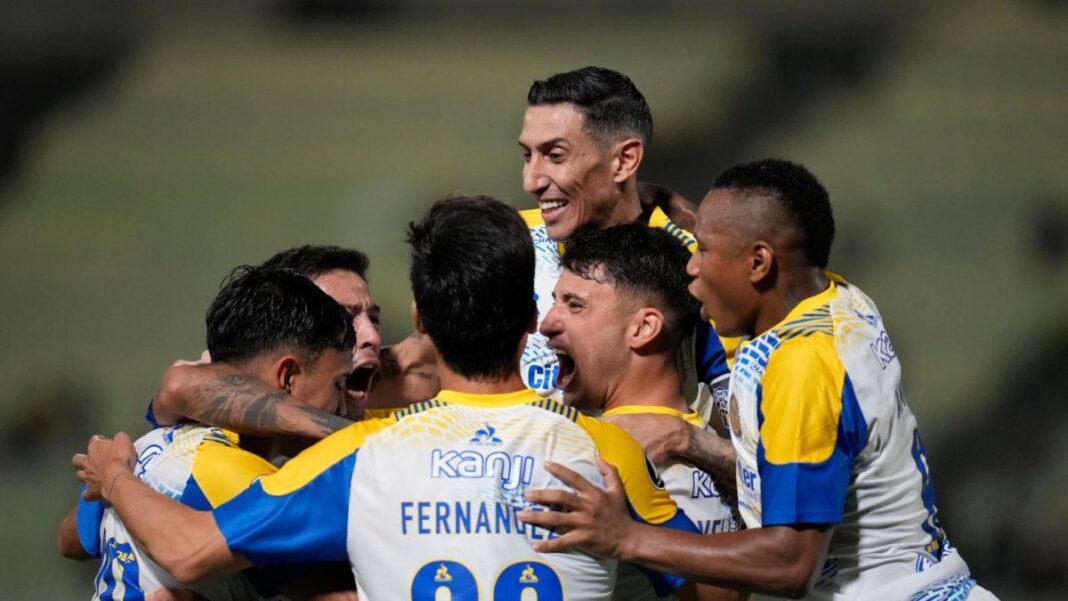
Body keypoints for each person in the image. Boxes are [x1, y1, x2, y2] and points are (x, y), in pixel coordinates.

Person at [72, 195, 698, 600]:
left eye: (373, 318)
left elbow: (183, 545)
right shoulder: (606, 447)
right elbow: (713, 590)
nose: (363, 341)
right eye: (344, 327)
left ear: (419, 316)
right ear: (533, 320)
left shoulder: (364, 452)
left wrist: (114, 475)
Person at [518, 159, 998, 600]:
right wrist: (689, 218)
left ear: (758, 263)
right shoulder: (837, 300)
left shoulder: (801, 368)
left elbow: (790, 564)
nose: (691, 265)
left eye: (703, 250)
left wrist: (627, 536)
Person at [69, 265, 357, 600]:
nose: (344, 404)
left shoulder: (149, 445)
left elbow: (72, 538)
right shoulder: (237, 481)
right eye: (339, 384)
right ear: (288, 377)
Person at [540, 223, 744, 601]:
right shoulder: (712, 441)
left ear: (644, 328)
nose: (547, 324)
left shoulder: (598, 453)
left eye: (574, 305)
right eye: (555, 301)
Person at [518, 66, 735, 400]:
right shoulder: (506, 245)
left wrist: (694, 445)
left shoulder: (697, 270)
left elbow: (744, 435)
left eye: (555, 156)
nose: (531, 181)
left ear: (624, 160)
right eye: (527, 155)